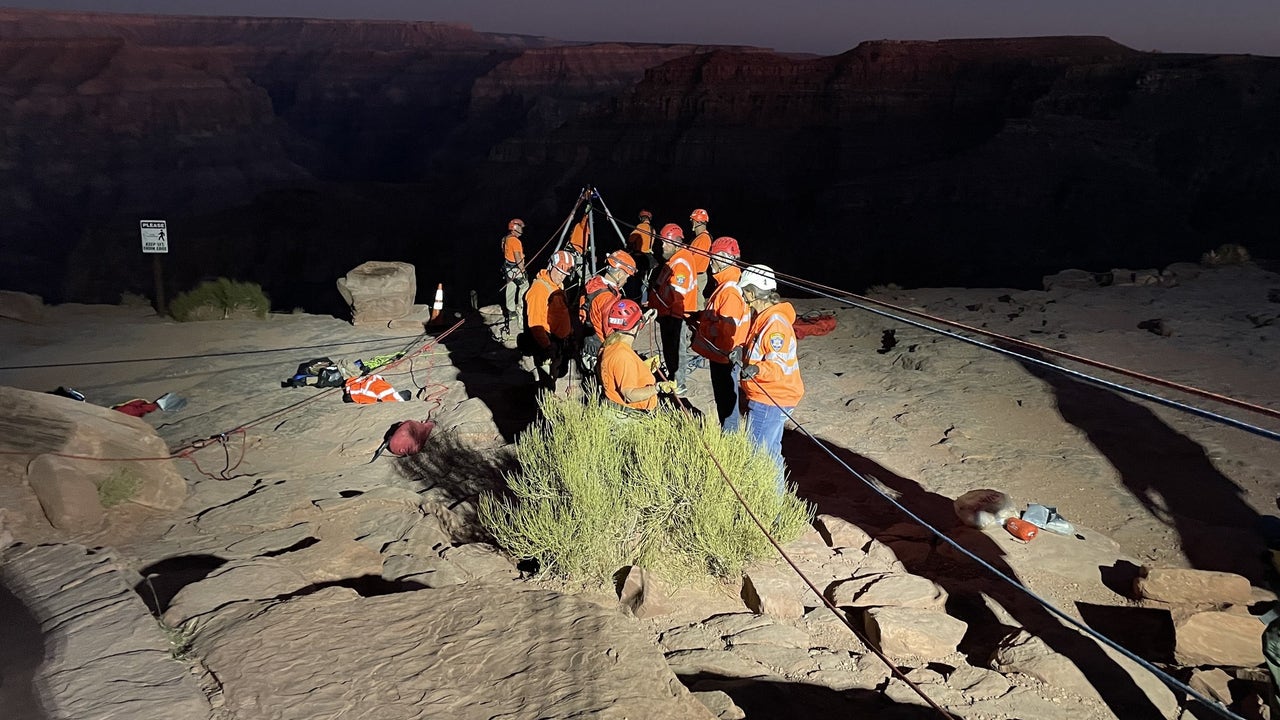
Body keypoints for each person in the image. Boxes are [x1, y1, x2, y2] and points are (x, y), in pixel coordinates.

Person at [736, 264, 804, 494]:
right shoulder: (765, 318)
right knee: (770, 450)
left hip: (770, 398)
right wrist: (742, 353)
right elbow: (761, 350)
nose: (743, 296)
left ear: (752, 293)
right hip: (770, 395)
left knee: (760, 454)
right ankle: (775, 500)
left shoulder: (774, 324)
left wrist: (755, 369)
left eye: (744, 291)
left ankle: (769, 503)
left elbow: (777, 366)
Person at [691, 237, 749, 430]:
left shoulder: (729, 291)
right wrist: (702, 317)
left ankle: (730, 435)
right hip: (722, 355)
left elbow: (726, 330)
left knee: (726, 400)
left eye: (713, 258)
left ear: (724, 259)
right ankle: (728, 430)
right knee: (725, 398)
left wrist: (704, 329)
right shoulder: (726, 285)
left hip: (723, 356)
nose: (710, 263)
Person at [648, 223, 699, 394]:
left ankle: (678, 384)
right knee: (670, 350)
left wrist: (673, 318)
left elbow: (678, 295)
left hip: (674, 316)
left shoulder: (681, 263)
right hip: (667, 314)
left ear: (676, 243)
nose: (662, 246)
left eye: (666, 243)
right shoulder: (674, 260)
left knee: (676, 350)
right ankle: (673, 379)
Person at [599, 299, 675, 413]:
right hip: (631, 413)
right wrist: (657, 387)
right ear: (635, 327)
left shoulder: (609, 346)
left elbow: (618, 372)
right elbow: (629, 395)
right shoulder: (623, 355)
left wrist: (643, 367)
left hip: (615, 407)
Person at [578, 250, 638, 375]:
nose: (626, 280)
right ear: (619, 274)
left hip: (588, 344)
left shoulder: (593, 285)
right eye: (626, 276)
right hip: (601, 349)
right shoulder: (608, 298)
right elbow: (611, 332)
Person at [524, 250, 576, 389]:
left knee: (555, 374)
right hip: (547, 343)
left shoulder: (558, 286)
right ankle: (544, 399)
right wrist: (547, 347)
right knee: (547, 381)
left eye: (565, 274)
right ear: (551, 266)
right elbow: (535, 323)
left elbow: (562, 312)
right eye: (559, 271)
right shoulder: (539, 289)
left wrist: (569, 332)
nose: (561, 276)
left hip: (558, 342)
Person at [500, 218, 529, 335]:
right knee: (525, 287)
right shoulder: (516, 241)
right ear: (515, 227)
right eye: (520, 227)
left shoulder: (506, 239)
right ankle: (521, 311)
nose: (522, 229)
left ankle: (510, 311)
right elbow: (517, 258)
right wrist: (523, 270)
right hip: (516, 269)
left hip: (508, 269)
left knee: (511, 288)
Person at [626, 210, 655, 302]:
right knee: (645, 281)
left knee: (634, 281)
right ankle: (644, 300)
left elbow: (631, 239)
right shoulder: (653, 230)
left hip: (639, 257)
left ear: (641, 218)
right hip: (648, 259)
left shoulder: (640, 226)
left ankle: (634, 299)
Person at [688, 209, 713, 308]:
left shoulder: (703, 239)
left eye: (692, 221)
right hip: (696, 275)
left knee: (697, 303)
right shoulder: (700, 238)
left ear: (696, 222)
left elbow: (696, 261)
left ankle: (701, 315)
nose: (691, 223)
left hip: (697, 275)